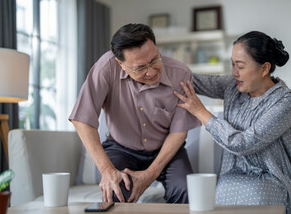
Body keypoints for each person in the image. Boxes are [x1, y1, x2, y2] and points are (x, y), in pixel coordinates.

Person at [174, 31, 291, 213]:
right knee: (219, 199)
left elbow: (243, 143)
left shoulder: (285, 102)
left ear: (264, 69)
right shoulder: (232, 86)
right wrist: (157, 62)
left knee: (254, 197)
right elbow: (192, 81)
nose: (234, 73)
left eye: (240, 66)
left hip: (274, 179)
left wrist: (200, 112)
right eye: (232, 65)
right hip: (233, 176)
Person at [69, 23, 200, 203]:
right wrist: (107, 171)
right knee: (116, 192)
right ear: (120, 64)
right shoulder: (106, 68)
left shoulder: (181, 74)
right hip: (121, 148)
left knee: (185, 190)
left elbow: (178, 132)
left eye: (154, 59)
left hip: (167, 150)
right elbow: (82, 119)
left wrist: (149, 175)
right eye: (140, 68)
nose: (151, 71)